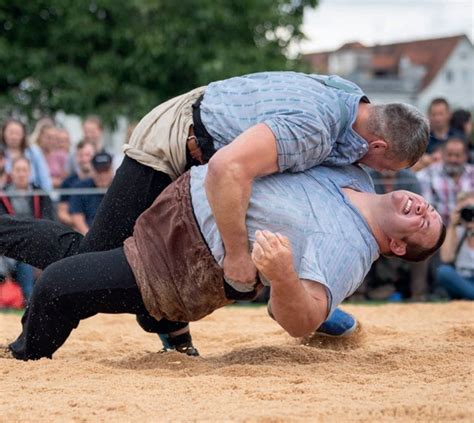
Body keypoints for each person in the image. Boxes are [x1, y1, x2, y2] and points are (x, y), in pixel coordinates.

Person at [0, 72, 429, 353]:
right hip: (175, 142)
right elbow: (229, 169)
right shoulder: (314, 130)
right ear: (378, 147)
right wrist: (240, 258)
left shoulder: (350, 98)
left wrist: (312, 288)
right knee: (89, 260)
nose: (377, 176)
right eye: (387, 168)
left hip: (202, 135)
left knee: (145, 256)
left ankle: (175, 330)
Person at [0, 161, 446, 361]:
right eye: (430, 207)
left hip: (179, 261)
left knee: (60, 281)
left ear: (400, 247)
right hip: (173, 195)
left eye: (427, 224)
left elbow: (295, 317)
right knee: (81, 257)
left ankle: (22, 355)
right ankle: (169, 329)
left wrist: (285, 276)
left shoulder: (349, 252)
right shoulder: (354, 172)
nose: (426, 209)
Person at [356, 168, 428, 300]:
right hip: (374, 231)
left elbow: (420, 213)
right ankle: (358, 294)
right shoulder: (367, 177)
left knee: (421, 245)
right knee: (361, 241)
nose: (388, 167)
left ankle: (418, 295)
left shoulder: (410, 180)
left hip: (405, 233)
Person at [0, 157, 55, 301]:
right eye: (18, 170)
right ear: (11, 172)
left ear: (30, 173)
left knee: (26, 258)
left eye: (24, 170)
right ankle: (26, 299)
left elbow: (48, 222)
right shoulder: (2, 195)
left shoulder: (41, 195)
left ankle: (30, 299)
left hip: (35, 243)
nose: (21, 174)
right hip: (8, 246)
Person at [417, 137, 474, 225]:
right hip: (439, 231)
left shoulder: (472, 174)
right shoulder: (427, 175)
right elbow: (426, 209)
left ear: (466, 156)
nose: (453, 159)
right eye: (449, 155)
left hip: (469, 231)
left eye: (458, 155)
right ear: (442, 154)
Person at [436, 192, 474, 300]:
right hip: (462, 279)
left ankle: (469, 296)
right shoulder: (457, 231)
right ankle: (469, 295)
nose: (470, 214)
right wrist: (452, 225)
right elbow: (446, 258)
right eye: (466, 210)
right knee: (443, 271)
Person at [0, 119, 52, 191]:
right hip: (3, 197)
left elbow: (44, 178)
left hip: (31, 196)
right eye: (11, 132)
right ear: (3, 133)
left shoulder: (34, 151)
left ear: (23, 134)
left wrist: (47, 197)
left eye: (17, 133)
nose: (14, 137)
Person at [69, 152, 114, 235]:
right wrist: (89, 237)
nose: (103, 175)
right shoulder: (81, 187)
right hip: (88, 234)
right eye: (99, 171)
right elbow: (77, 215)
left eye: (106, 171)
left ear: (111, 170)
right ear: (92, 170)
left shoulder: (120, 187)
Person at [57, 141, 96, 227]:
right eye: (80, 155)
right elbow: (62, 213)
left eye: (88, 155)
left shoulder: (101, 182)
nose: (84, 159)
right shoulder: (68, 182)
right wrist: (79, 224)